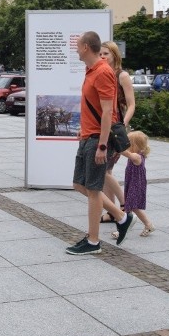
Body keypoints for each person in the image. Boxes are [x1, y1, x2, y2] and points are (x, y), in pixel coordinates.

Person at [66, 31, 135, 256]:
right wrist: (84, 129)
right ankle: (122, 217)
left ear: (86, 47)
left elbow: (108, 112)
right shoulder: (91, 70)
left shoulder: (103, 72)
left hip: (97, 139)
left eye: (78, 46)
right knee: (80, 184)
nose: (76, 50)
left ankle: (93, 241)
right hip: (88, 135)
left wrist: (103, 145)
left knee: (94, 190)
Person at [99, 41, 135, 221]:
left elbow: (131, 105)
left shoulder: (122, 76)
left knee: (104, 170)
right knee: (107, 172)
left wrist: (122, 124)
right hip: (103, 127)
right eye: (100, 54)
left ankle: (123, 205)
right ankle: (113, 212)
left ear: (114, 55)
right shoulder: (101, 73)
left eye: (106, 54)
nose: (102, 57)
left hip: (115, 129)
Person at [112, 130, 155, 239]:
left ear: (135, 145)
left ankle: (145, 224)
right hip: (132, 183)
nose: (127, 145)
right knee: (130, 206)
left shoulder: (137, 156)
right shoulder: (136, 155)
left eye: (128, 143)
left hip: (136, 185)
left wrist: (116, 144)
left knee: (132, 207)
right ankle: (145, 225)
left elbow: (125, 153)